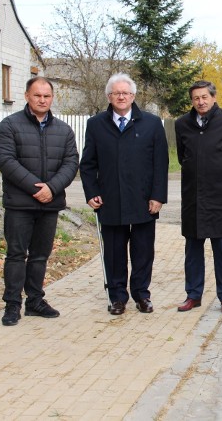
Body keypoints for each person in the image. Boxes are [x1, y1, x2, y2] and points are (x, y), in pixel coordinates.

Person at [79, 73, 168, 315]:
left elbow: (161, 164)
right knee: (115, 253)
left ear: (133, 96)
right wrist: (91, 193)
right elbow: (87, 164)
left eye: (125, 93)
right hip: (110, 201)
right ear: (109, 96)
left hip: (143, 200)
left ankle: (142, 294)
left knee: (143, 252)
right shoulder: (96, 124)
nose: (121, 96)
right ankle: (117, 297)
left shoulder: (151, 123)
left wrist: (158, 196)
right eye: (116, 93)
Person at [0, 77, 79, 326]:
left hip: (49, 204)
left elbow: (71, 162)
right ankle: (12, 305)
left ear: (52, 98)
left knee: (40, 256)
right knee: (16, 255)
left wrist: (51, 188)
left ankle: (35, 301)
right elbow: (5, 160)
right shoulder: (10, 125)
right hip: (20, 204)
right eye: (37, 95)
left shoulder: (63, 130)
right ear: (27, 96)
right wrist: (36, 188)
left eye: (47, 96)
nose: (42, 100)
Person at [175, 80, 222, 315]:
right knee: (193, 251)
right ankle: (193, 295)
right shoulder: (182, 124)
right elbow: (182, 157)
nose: (201, 101)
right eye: (196, 98)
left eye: (205, 97)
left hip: (221, 199)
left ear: (213, 97)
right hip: (193, 198)